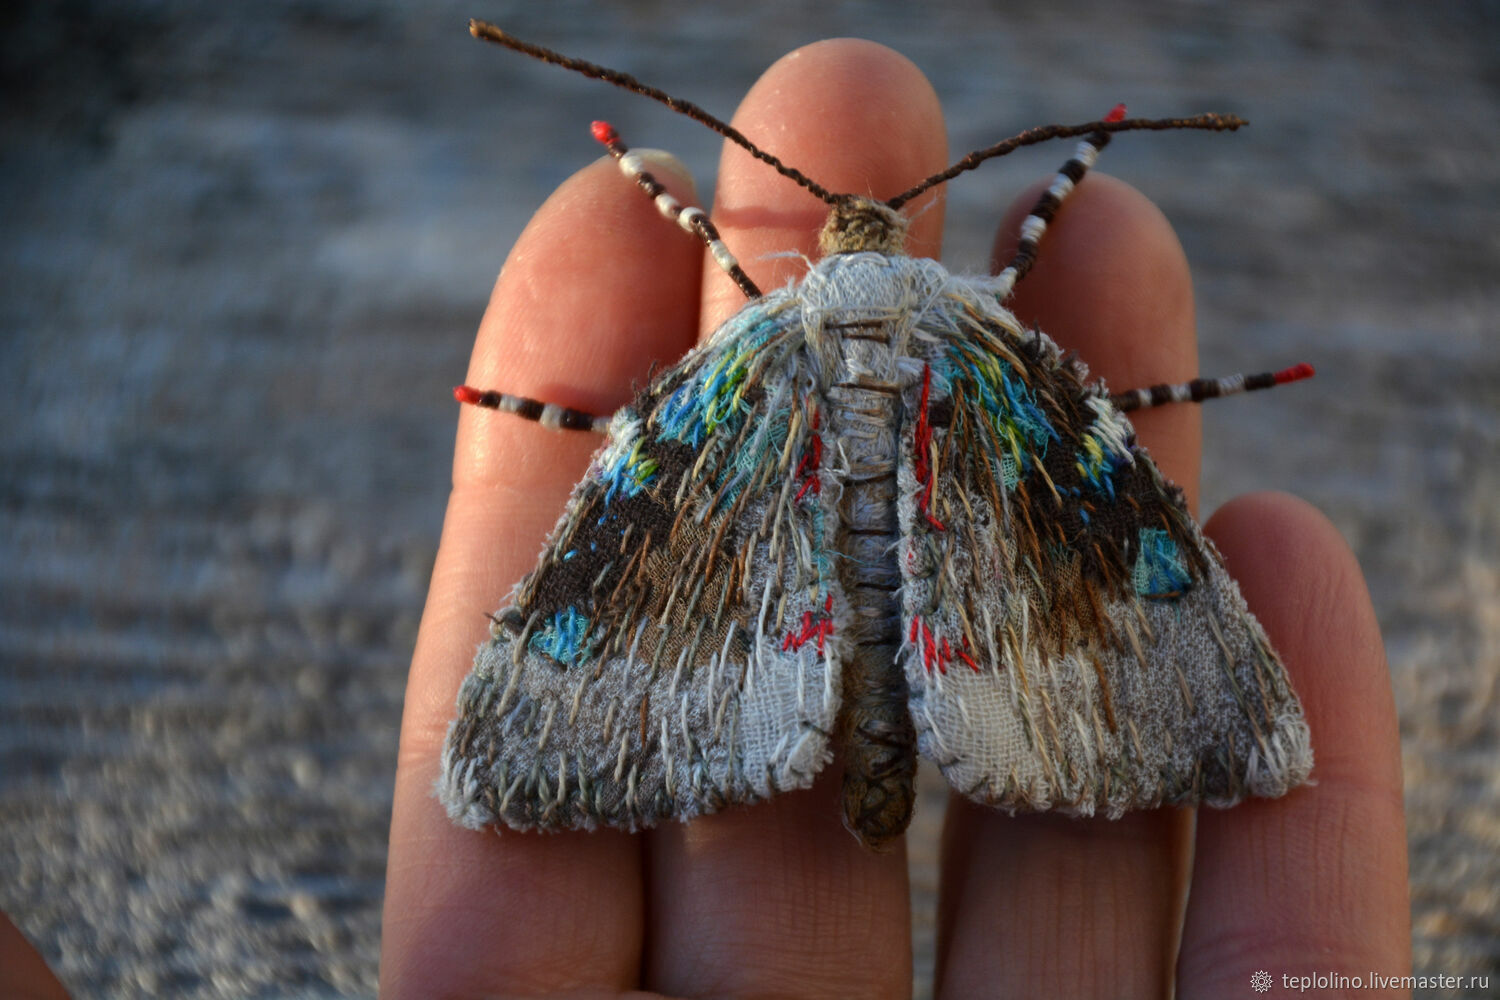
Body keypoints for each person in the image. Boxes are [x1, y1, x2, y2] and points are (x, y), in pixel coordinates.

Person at [378, 39, 1410, 998]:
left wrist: (559, 382)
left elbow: (622, 417)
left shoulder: (751, 346)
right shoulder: (987, 335)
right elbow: (1021, 285)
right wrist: (1076, 167)